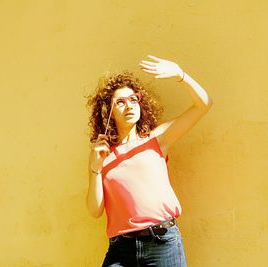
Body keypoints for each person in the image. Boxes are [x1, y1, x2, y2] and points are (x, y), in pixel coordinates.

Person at [85, 54, 213, 267]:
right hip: (120, 250)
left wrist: (180, 74)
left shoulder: (157, 139)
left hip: (162, 243)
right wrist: (95, 168)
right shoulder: (102, 154)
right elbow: (94, 210)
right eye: (120, 102)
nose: (129, 106)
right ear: (108, 112)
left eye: (134, 99)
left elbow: (204, 104)